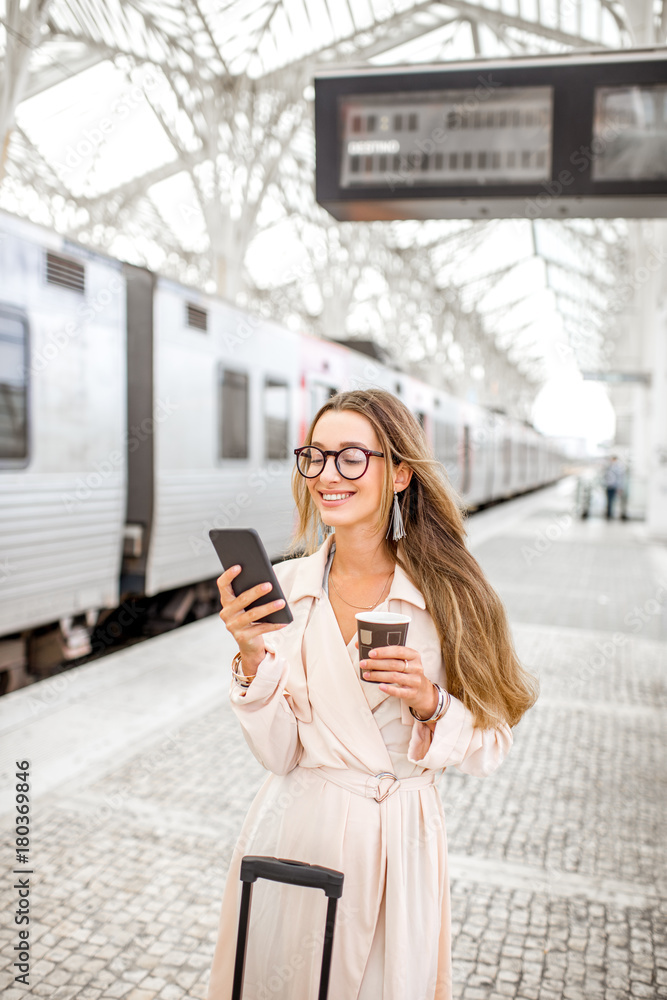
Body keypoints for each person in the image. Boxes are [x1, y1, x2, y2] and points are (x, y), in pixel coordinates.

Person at [207, 389, 539, 1000]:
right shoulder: (286, 590)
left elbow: (492, 744)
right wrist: (252, 656)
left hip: (398, 842)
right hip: (296, 831)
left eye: (351, 458)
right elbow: (279, 755)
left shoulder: (453, 597)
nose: (328, 476)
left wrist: (430, 702)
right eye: (315, 457)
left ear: (400, 473)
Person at [603, 455, 625, 519]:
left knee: (612, 500)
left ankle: (611, 513)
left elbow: (620, 478)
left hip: (614, 486)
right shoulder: (608, 467)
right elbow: (606, 476)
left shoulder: (619, 467)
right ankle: (608, 513)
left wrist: (620, 487)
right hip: (608, 486)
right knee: (608, 500)